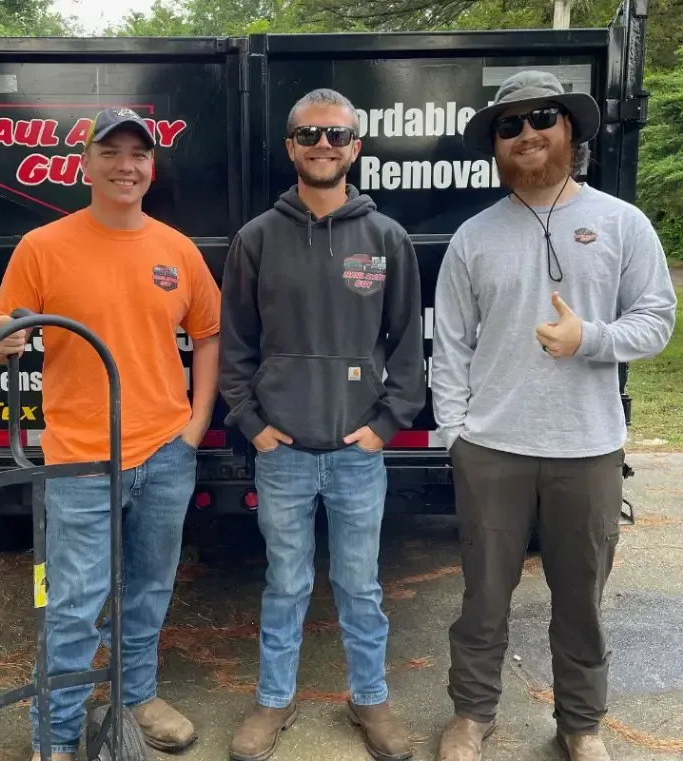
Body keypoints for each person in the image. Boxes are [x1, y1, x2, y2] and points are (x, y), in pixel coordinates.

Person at [431, 71, 677, 761]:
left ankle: (579, 722)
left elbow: (656, 321)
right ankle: (471, 714)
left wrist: (588, 339)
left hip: (588, 449)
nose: (526, 134)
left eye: (540, 117)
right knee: (482, 598)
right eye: (508, 126)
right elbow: (448, 346)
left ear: (569, 129)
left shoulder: (622, 223)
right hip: (491, 450)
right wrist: (456, 434)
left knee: (581, 602)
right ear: (496, 145)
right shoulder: (472, 238)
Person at [0, 107, 222, 761]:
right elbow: (3, 332)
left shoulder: (176, 251)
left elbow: (208, 335)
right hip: (80, 457)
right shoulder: (43, 246)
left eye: (138, 154)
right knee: (75, 602)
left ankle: (135, 695)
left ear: (152, 165)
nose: (126, 165)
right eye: (110, 152)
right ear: (84, 163)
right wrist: (6, 342)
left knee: (149, 588)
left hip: (166, 450)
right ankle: (55, 736)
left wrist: (195, 425)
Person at [219, 87, 425, 761]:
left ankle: (370, 700)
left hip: (356, 451)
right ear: (291, 147)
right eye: (309, 135)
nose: (323, 146)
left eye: (336, 135)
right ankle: (272, 701)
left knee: (360, 585)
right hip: (280, 451)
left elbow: (406, 347)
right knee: (285, 582)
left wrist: (384, 425)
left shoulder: (385, 237)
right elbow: (235, 345)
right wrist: (252, 423)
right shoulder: (255, 239)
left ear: (355, 146)